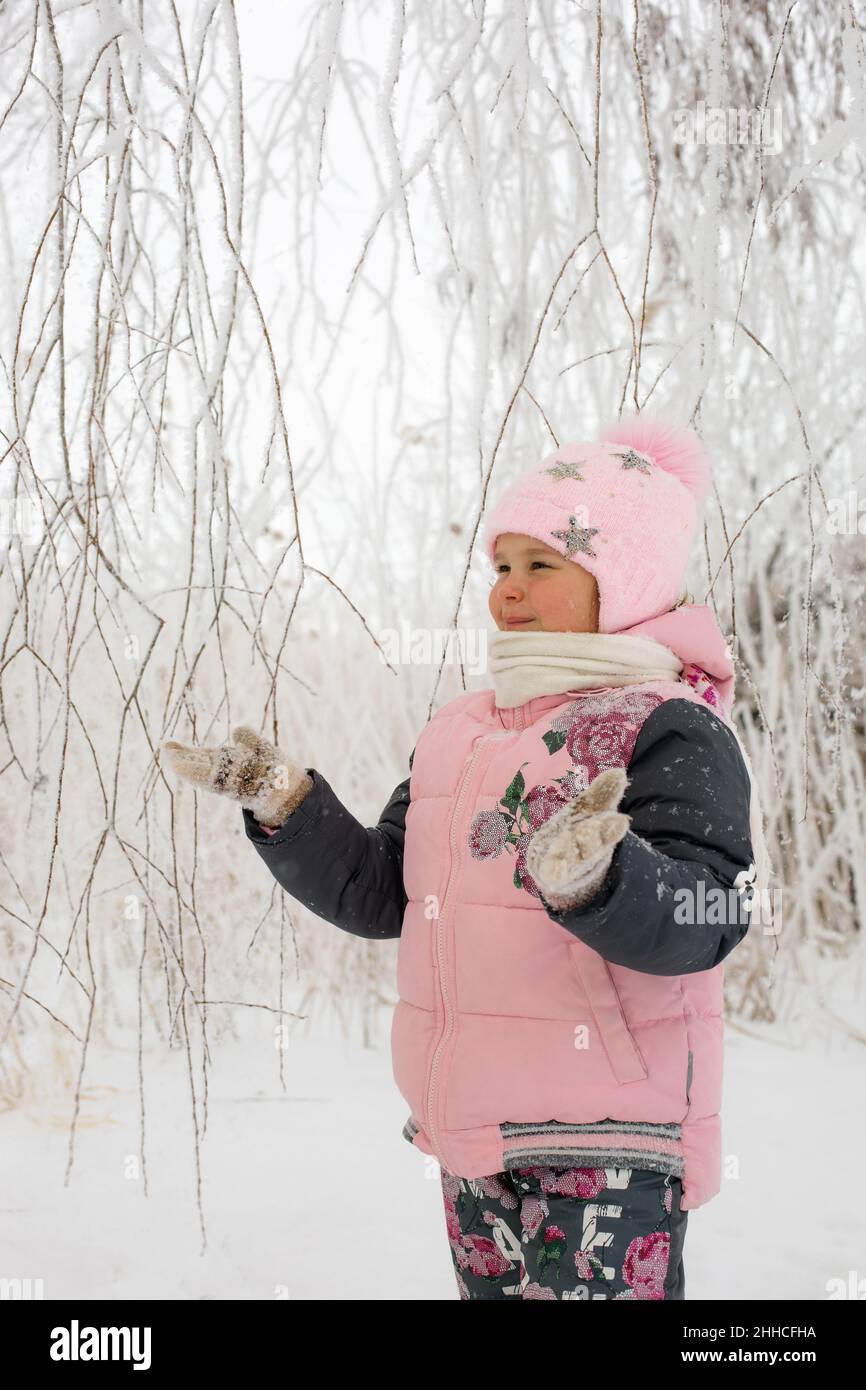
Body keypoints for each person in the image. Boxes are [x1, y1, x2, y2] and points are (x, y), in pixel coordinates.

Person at [161, 414, 768, 1300]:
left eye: (542, 565)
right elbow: (383, 892)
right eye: (502, 567)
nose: (509, 590)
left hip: (607, 1142)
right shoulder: (463, 732)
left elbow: (710, 916)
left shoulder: (669, 722)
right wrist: (286, 803)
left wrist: (597, 880)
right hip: (474, 1131)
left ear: (621, 578)